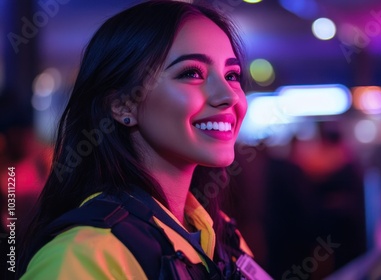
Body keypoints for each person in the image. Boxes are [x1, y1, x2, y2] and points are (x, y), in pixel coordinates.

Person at [18, 1, 264, 279]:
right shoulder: (81, 257)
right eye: (191, 73)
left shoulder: (222, 237)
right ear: (123, 105)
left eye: (232, 75)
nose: (230, 95)